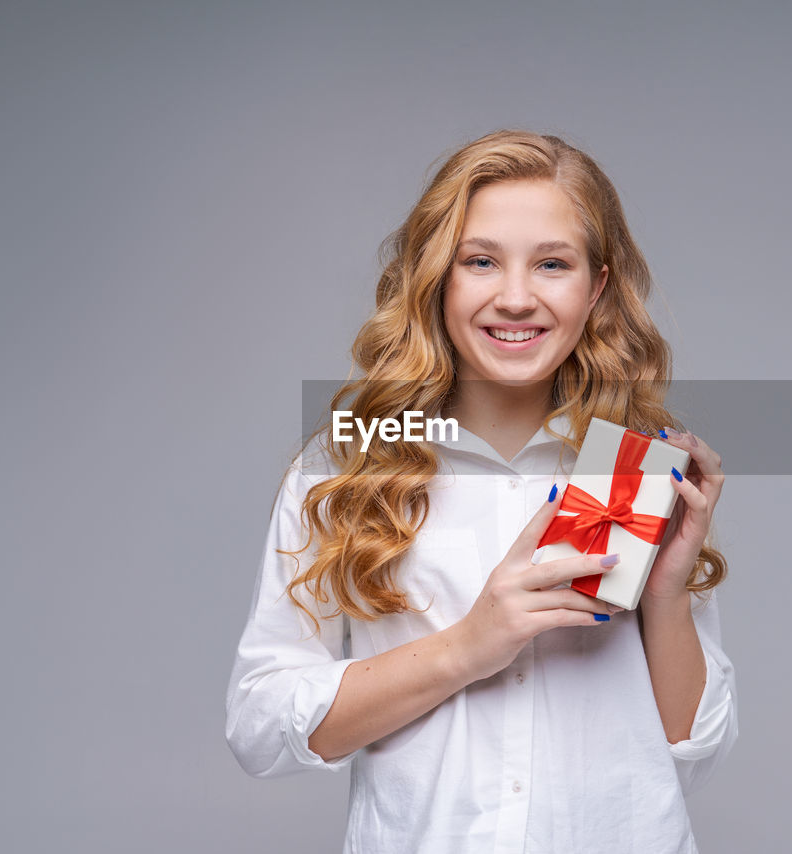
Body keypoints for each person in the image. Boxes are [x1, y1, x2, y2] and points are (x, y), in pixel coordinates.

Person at [225, 129, 738, 853]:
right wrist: (469, 646)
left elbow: (693, 748)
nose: (517, 298)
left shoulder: (631, 465)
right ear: (437, 278)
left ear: (596, 285)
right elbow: (258, 726)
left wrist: (667, 595)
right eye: (481, 261)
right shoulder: (346, 466)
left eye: (552, 263)